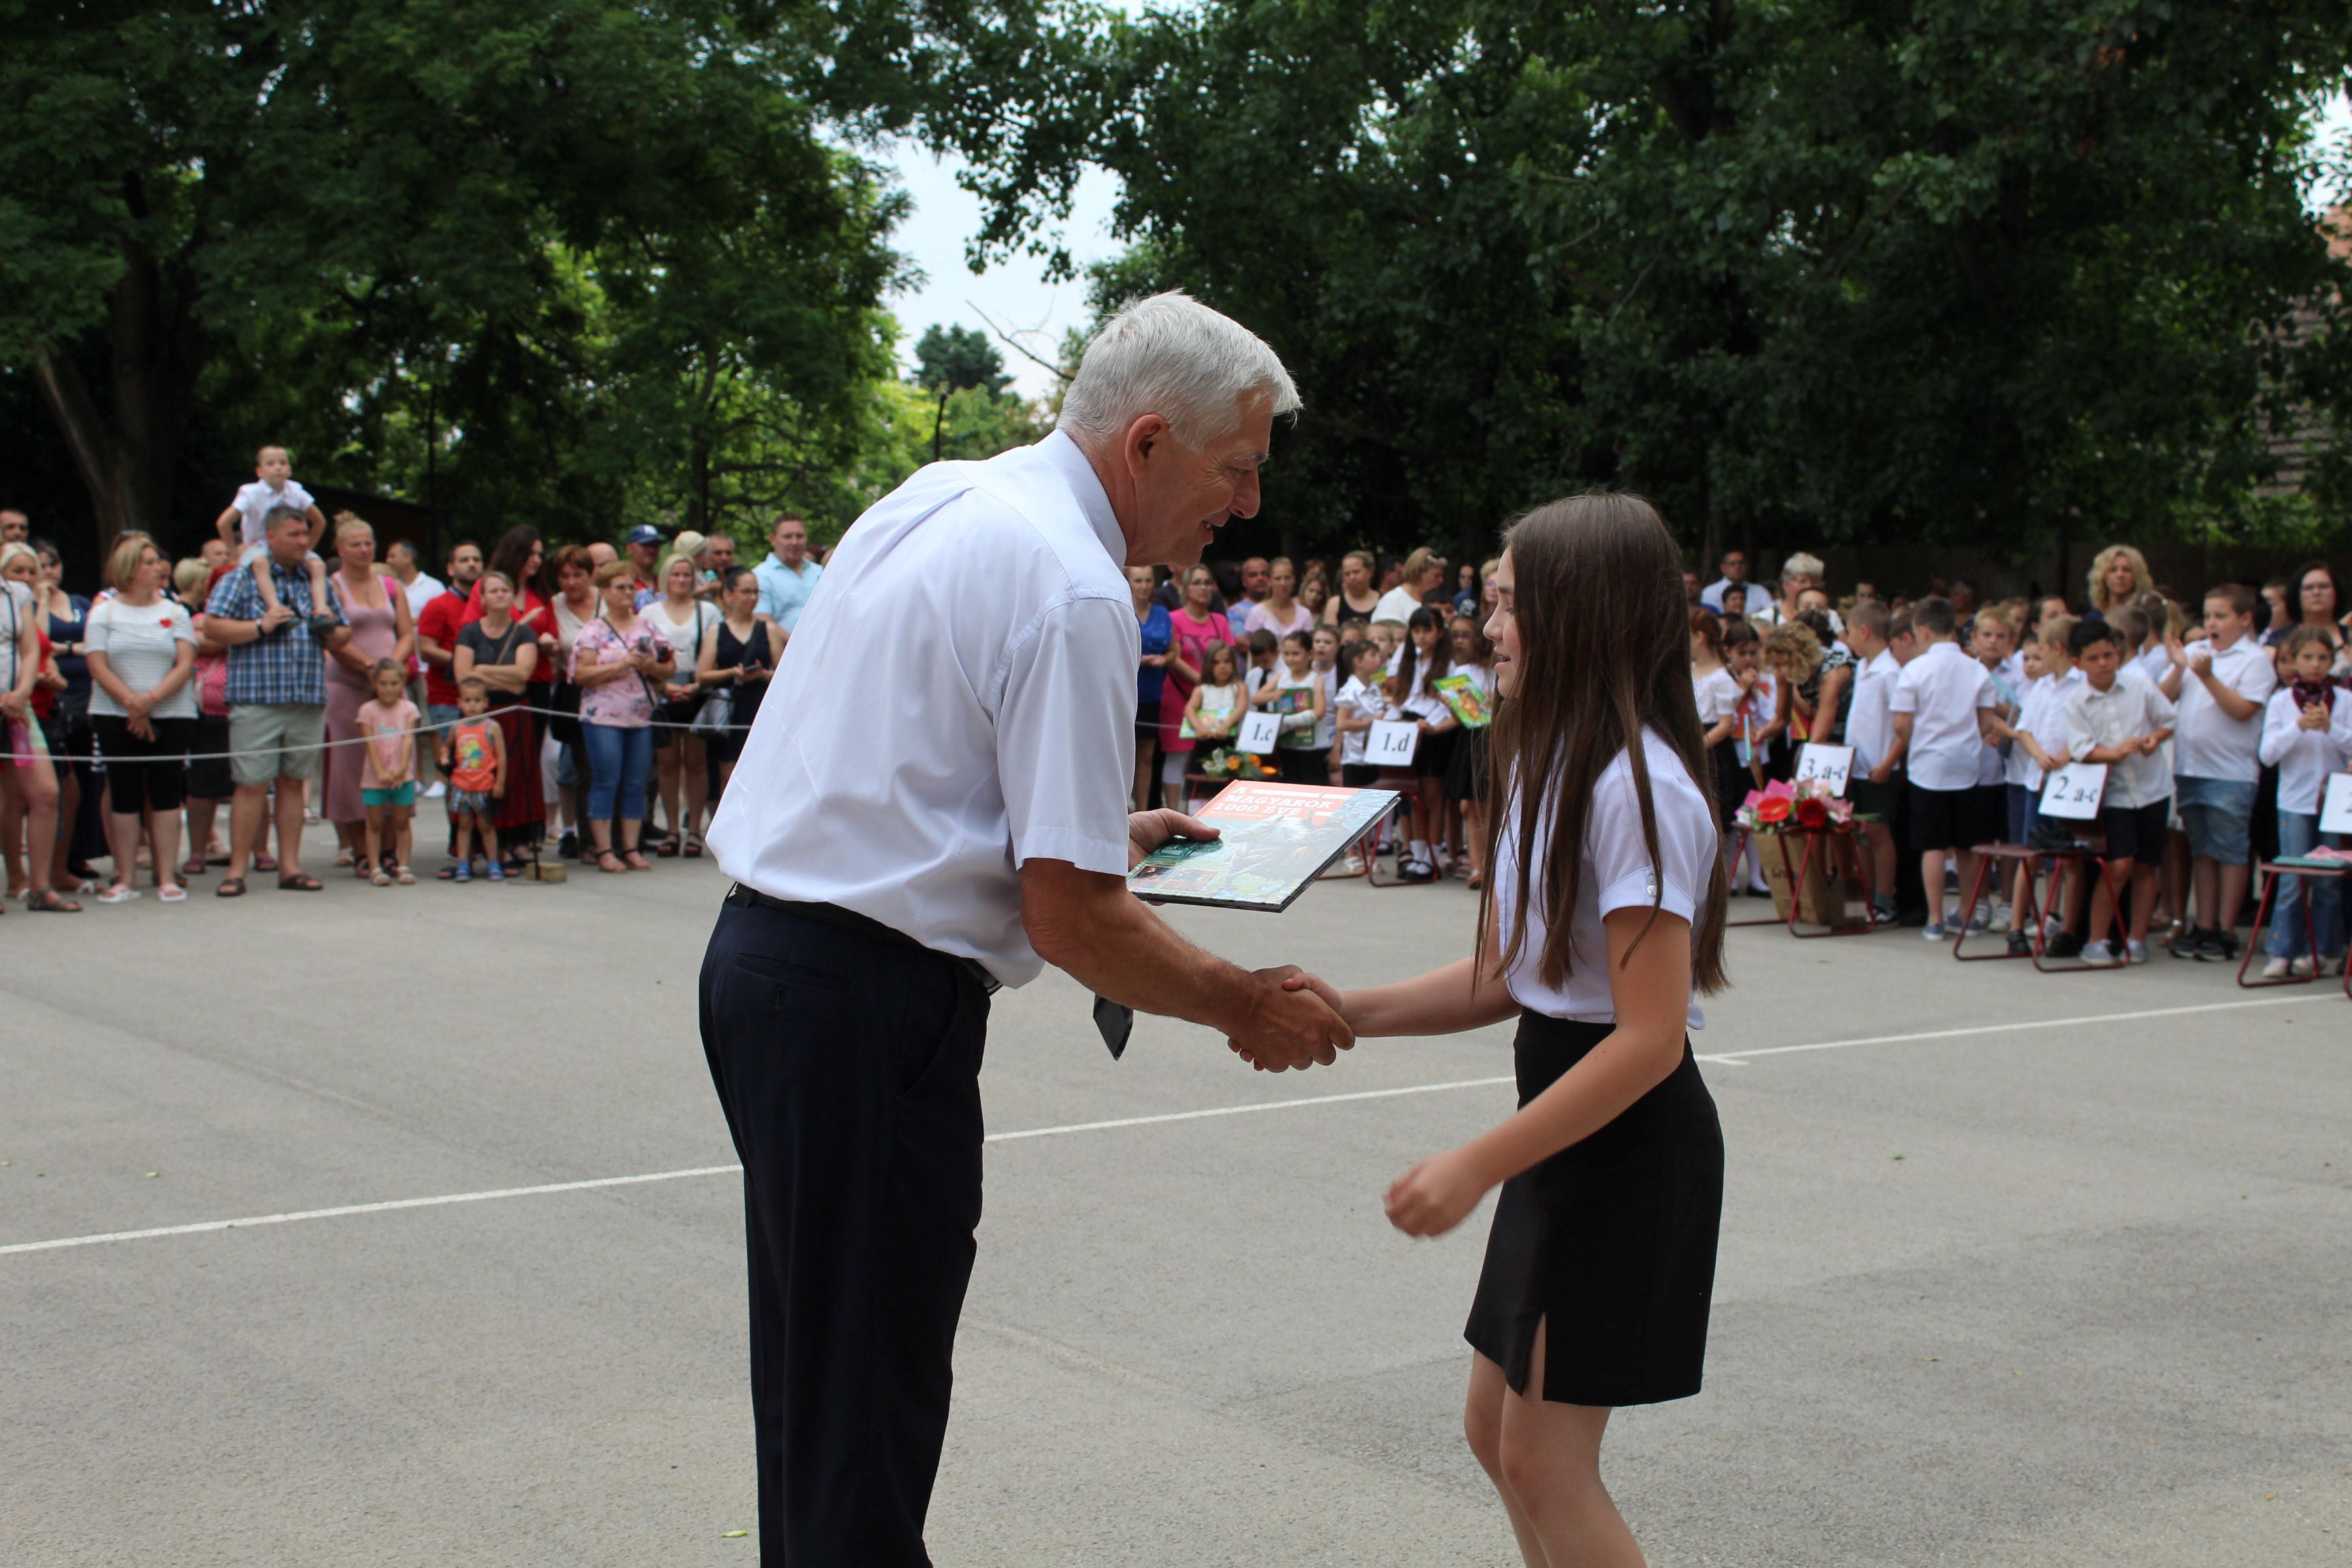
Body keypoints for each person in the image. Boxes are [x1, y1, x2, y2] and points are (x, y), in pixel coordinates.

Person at [697, 290, 1350, 1566]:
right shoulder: (1074, 586)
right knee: (863, 1422)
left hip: (776, 966)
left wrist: (1100, 827)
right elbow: (1076, 920)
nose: (1249, 504)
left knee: (824, 1395)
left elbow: (905, 767)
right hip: (869, 1003)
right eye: (1237, 467)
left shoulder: (943, 496)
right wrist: (1243, 1002)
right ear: (1147, 442)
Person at [1291, 495, 1725, 1568]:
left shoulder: (1639, 789)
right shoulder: (1548, 758)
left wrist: (1477, 1164)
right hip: (1565, 1133)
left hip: (1626, 1145)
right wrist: (1345, 1011)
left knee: (1544, 1462)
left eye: (1507, 603)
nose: (1488, 628)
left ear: (1583, 614)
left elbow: (1650, 1039)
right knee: (1498, 1437)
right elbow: (1512, 974)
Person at [203, 504, 349, 896]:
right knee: (251, 785)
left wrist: (328, 631)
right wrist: (259, 626)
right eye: (294, 535)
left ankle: (290, 867)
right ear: (271, 536)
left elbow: (344, 632)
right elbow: (212, 626)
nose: (303, 542)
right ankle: (237, 871)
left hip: (306, 696)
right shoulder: (242, 577)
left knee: (293, 783)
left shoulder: (316, 579)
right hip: (257, 698)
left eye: (306, 534)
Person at [2159, 585, 2276, 962]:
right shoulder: (2197, 652)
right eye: (2208, 615)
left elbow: (2242, 711)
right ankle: (2205, 924)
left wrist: (2208, 678)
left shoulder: (2254, 660)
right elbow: (2161, 700)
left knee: (2230, 850)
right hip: (2190, 768)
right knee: (2202, 850)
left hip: (2230, 772)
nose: (2212, 623)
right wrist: (2180, 666)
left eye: (2221, 616)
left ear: (2245, 619)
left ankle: (2226, 929)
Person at [84, 534, 198, 903]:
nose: (158, 567)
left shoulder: (176, 612)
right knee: (124, 792)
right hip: (114, 713)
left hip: (171, 712)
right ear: (130, 569)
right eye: (149, 562)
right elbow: (98, 665)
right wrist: (132, 704)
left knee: (167, 792)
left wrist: (151, 700)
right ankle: (125, 877)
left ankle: (166, 876)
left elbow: (184, 663)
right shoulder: (104, 613)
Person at [2061, 617, 2176, 964]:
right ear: (2078, 663)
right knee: (2118, 864)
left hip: (2152, 788)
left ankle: (2136, 939)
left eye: (2108, 655)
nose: (2103, 664)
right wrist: (2115, 752)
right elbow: (2081, 749)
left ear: (2118, 653)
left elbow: (2168, 721)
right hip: (2112, 794)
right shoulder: (2076, 701)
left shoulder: (2140, 686)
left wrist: (2152, 740)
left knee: (2146, 866)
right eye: (2094, 658)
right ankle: (2097, 939)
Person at [1886, 597, 1997, 940]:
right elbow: (1987, 722)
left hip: (1928, 765)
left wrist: (1917, 740)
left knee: (1933, 845)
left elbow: (1901, 723)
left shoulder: (1915, 670)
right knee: (1966, 845)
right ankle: (1967, 913)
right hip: (1966, 763)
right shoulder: (1976, 669)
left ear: (1922, 630)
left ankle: (1934, 918)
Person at [320, 514, 415, 876]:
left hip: (391, 688)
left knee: (394, 757)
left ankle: (390, 847)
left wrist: (392, 668)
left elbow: (406, 632)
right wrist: (368, 666)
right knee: (353, 766)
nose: (363, 550)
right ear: (340, 548)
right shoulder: (331, 586)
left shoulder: (390, 585)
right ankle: (361, 849)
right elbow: (331, 637)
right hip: (348, 685)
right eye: (355, 544)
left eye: (369, 543)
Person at [2258, 625, 2352, 977]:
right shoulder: (2281, 702)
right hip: (2294, 801)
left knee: (2329, 881)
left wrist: (2330, 728)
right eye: (2308, 657)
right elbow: (2268, 754)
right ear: (2293, 660)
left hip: (2335, 804)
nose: (2315, 665)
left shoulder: (2344, 700)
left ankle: (2323, 950)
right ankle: (2282, 951)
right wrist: (2299, 726)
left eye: (2323, 658)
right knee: (2293, 879)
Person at [572, 559, 670, 872]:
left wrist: (651, 666)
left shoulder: (647, 626)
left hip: (640, 716)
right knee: (606, 780)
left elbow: (669, 666)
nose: (628, 592)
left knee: (636, 783)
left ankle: (631, 847)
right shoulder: (593, 631)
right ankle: (603, 849)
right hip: (603, 717)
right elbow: (581, 674)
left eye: (631, 587)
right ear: (604, 591)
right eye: (620, 587)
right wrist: (621, 665)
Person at [451, 569, 544, 876]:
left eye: (505, 590)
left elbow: (523, 676)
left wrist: (481, 670)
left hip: (514, 714)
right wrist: (503, 676)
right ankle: (472, 848)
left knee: (513, 778)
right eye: (493, 591)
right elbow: (462, 676)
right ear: (483, 598)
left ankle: (511, 843)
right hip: (476, 718)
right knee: (473, 775)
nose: (500, 595)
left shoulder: (524, 633)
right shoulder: (469, 632)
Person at [0, 542, 76, 910]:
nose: (28, 578)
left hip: (17, 707)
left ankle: (40, 887)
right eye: (20, 570)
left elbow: (31, 650)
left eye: (33, 570)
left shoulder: (16, 596)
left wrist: (22, 692)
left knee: (46, 793)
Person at [213, 444, 332, 631]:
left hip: (291, 547)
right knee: (261, 564)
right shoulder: (250, 493)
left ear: (290, 469)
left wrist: (306, 548)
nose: (278, 467)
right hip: (259, 546)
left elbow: (320, 521)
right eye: (271, 464)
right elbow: (224, 523)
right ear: (259, 471)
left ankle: (321, 612)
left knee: (318, 565)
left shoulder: (296, 492)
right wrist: (234, 552)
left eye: (283, 463)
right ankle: (277, 609)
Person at [644, 553, 717, 856]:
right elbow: (645, 653)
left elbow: (714, 649)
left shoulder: (707, 610)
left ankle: (694, 830)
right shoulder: (649, 612)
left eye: (687, 574)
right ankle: (672, 829)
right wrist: (663, 686)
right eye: (676, 574)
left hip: (697, 688)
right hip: (663, 689)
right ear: (666, 577)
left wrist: (697, 685)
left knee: (697, 762)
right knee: (668, 763)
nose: (682, 580)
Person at [697, 566, 783, 800]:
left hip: (759, 707)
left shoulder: (769, 629)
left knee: (761, 774)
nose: (752, 598)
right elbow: (703, 675)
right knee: (728, 775)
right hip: (729, 709)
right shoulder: (717, 630)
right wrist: (732, 672)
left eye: (756, 592)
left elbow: (782, 675)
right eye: (746, 592)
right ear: (729, 594)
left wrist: (762, 674)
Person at [175, 559, 235, 879]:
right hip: (208, 715)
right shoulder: (199, 618)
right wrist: (246, 633)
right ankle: (198, 851)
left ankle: (256, 851)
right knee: (202, 787)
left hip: (245, 709)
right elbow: (199, 639)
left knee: (250, 786)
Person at [1844, 601, 1902, 921]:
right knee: (1860, 832)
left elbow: (1902, 726)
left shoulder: (1890, 672)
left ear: (1864, 631)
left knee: (1879, 833)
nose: (1848, 638)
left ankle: (1884, 899)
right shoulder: (1862, 667)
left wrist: (1888, 762)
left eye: (1850, 631)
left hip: (1879, 766)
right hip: (1858, 766)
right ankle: (1864, 896)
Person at [414, 540, 484, 804]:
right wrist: (466, 663)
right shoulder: (438, 605)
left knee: (480, 765)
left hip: (483, 696)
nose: (472, 564)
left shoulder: (489, 603)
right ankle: (457, 826)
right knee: (456, 765)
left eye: (476, 559)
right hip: (447, 698)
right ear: (450, 568)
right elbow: (426, 650)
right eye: (464, 560)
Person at [1158, 564, 1233, 806]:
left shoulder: (1220, 621)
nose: (1203, 588)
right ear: (1186, 588)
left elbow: (1229, 656)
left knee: (1213, 756)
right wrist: (1204, 682)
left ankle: (1210, 811)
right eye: (1197, 583)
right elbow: (1174, 656)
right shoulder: (1174, 619)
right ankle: (1173, 813)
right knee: (1177, 756)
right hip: (1179, 696)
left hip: (1214, 700)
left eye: (1207, 582)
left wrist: (1211, 687)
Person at [355, 658, 419, 886]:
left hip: (403, 776)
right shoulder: (367, 710)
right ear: (374, 684)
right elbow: (370, 743)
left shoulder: (409, 709)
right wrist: (381, 771)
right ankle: (375, 867)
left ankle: (404, 865)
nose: (389, 689)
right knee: (375, 823)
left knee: (402, 822)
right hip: (375, 777)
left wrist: (401, 769)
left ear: (402, 684)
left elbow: (409, 740)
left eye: (394, 683)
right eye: (383, 684)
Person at [439, 676, 508, 881]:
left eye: (477, 700)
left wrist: (500, 782)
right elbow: (447, 746)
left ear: (486, 703)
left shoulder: (492, 727)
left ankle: (493, 862)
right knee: (464, 825)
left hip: (484, 784)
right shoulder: (457, 727)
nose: (472, 705)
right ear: (459, 703)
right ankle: (463, 863)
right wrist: (444, 756)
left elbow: (501, 756)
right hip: (462, 785)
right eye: (467, 701)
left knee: (486, 825)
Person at [1445, 612, 1495, 886]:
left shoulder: (1504, 668)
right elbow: (1461, 718)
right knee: (1474, 805)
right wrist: (1453, 705)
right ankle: (1478, 867)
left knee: (1494, 804)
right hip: (1473, 740)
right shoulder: (1463, 672)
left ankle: (1494, 865)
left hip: (1498, 737)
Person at [1253, 627, 1328, 784]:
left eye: (1295, 654)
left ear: (1310, 654)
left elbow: (1319, 712)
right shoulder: (1280, 677)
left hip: (1312, 748)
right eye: (1286, 654)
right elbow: (1257, 698)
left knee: (1313, 786)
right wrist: (1273, 695)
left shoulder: (1316, 680)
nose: (1290, 659)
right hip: (1287, 745)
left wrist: (1287, 721)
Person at [1127, 565, 1173, 809]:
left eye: (1148, 580)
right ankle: (1123, 808)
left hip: (1152, 691)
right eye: (1138, 581)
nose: (1144, 586)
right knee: (1124, 755)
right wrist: (1139, 659)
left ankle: (1143, 809)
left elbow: (1173, 649)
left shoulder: (1162, 613)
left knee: (1146, 756)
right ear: (1129, 583)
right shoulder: (1123, 610)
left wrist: (1165, 659)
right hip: (1127, 691)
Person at [751, 514, 822, 642]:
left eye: (799, 536)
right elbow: (763, 620)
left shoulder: (820, 572)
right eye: (787, 537)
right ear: (773, 539)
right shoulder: (760, 576)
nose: (794, 542)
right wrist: (797, 647)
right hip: (783, 651)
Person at [1242, 555, 1313, 639]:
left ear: (1294, 579)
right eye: (1278, 579)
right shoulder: (1257, 612)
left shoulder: (1305, 614)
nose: (1283, 583)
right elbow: (1252, 644)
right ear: (1269, 581)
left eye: (1287, 578)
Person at [1374, 546, 1443, 627]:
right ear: (1418, 573)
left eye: (1442, 576)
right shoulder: (1392, 601)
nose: (1441, 580)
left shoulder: (1440, 603)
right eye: (1436, 576)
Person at [2085, 544, 2153, 621]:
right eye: (2113, 570)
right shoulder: (2092, 619)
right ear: (2102, 576)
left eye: (2127, 570)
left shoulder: (2146, 619)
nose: (2120, 575)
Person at [385, 539, 446, 620]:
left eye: (392, 556)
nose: (388, 561)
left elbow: (445, 617)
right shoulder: (390, 587)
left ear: (408, 557)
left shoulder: (435, 587)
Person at [1322, 549, 1382, 625]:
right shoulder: (1335, 604)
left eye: (1356, 572)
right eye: (1347, 574)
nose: (1352, 577)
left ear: (1369, 572)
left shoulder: (1383, 601)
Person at [1700, 549, 1751, 613]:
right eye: (1733, 563)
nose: (1738, 566)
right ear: (1723, 568)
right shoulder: (1710, 592)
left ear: (1747, 566)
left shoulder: (1760, 591)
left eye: (1741, 563)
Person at [623, 523, 664, 600]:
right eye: (645, 545)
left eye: (655, 546)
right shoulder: (622, 583)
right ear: (629, 548)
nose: (651, 550)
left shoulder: (665, 583)